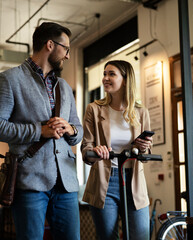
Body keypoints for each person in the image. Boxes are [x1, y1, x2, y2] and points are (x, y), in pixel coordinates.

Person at [0, 22, 83, 240]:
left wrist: (70, 128)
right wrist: (39, 131)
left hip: (66, 184)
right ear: (50, 45)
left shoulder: (64, 87)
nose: (67, 55)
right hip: (30, 181)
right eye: (65, 48)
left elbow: (79, 131)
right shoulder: (10, 80)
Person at [81, 60, 153, 240]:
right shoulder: (94, 109)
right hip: (105, 180)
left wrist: (143, 147)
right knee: (107, 237)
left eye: (111, 74)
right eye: (104, 74)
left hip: (134, 180)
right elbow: (85, 147)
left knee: (141, 235)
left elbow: (146, 152)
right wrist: (95, 150)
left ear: (125, 79)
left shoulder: (141, 112)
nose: (105, 78)